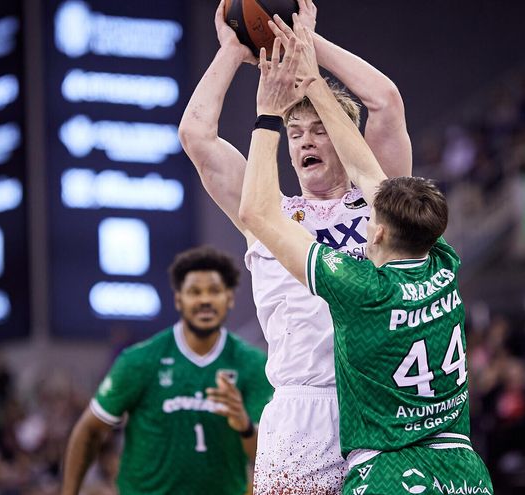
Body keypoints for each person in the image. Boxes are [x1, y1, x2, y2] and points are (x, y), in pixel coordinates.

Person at [237, 18, 493, 493]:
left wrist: (267, 113)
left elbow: (256, 211)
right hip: (462, 465)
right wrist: (312, 78)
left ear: (375, 234)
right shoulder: (444, 264)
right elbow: (370, 173)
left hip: (391, 468)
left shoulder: (364, 290)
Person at [178, 0, 410, 491]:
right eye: (296, 131)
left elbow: (385, 102)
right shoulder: (270, 211)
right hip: (300, 410)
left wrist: (306, 45)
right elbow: (196, 135)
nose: (305, 140)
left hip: (378, 403)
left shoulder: (382, 199)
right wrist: (232, 51)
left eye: (320, 130)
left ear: (344, 142)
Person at [61, 246, 273, 495]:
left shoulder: (255, 364)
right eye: (194, 291)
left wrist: (244, 424)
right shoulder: (140, 360)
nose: (205, 299)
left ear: (229, 298)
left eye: (214, 291)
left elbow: (266, 457)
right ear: (178, 300)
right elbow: (90, 430)